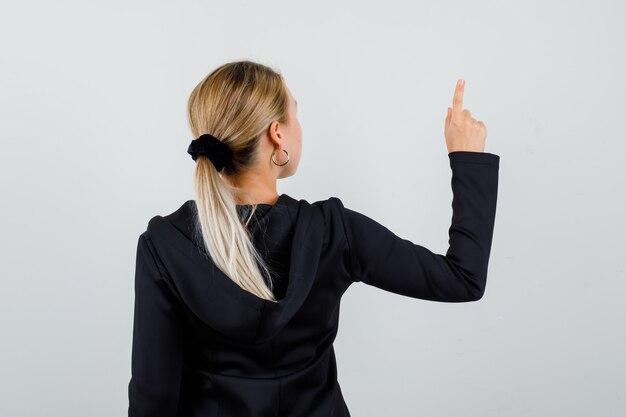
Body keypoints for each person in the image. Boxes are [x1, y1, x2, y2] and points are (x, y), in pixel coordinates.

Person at [127, 60, 500, 417]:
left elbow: (153, 400)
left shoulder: (165, 245)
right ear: (277, 134)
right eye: (295, 113)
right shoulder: (333, 233)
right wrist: (466, 157)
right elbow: (462, 278)